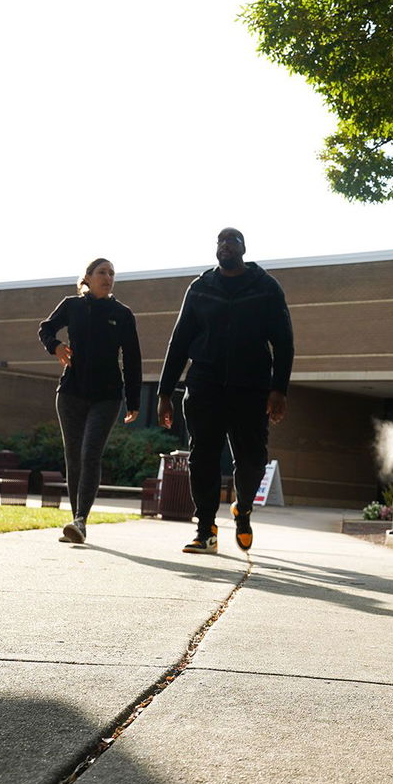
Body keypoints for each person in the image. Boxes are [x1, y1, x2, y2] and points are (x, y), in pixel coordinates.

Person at [157, 228, 293, 554]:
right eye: (221, 241)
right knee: (202, 457)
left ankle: (242, 509)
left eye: (232, 241)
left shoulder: (266, 288)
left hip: (251, 388)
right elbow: (179, 342)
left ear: (244, 248)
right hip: (205, 385)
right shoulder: (201, 288)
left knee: (253, 461)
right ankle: (206, 530)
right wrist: (164, 393)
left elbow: (284, 341)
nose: (226, 246)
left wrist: (279, 389)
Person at [38, 258, 141, 544]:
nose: (107, 277)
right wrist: (55, 346)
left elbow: (132, 358)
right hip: (71, 392)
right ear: (88, 277)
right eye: (102, 272)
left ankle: (80, 518)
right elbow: (45, 328)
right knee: (73, 457)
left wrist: (133, 400)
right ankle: (77, 520)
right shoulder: (71, 305)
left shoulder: (122, 314)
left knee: (90, 453)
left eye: (111, 273)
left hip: (106, 396)